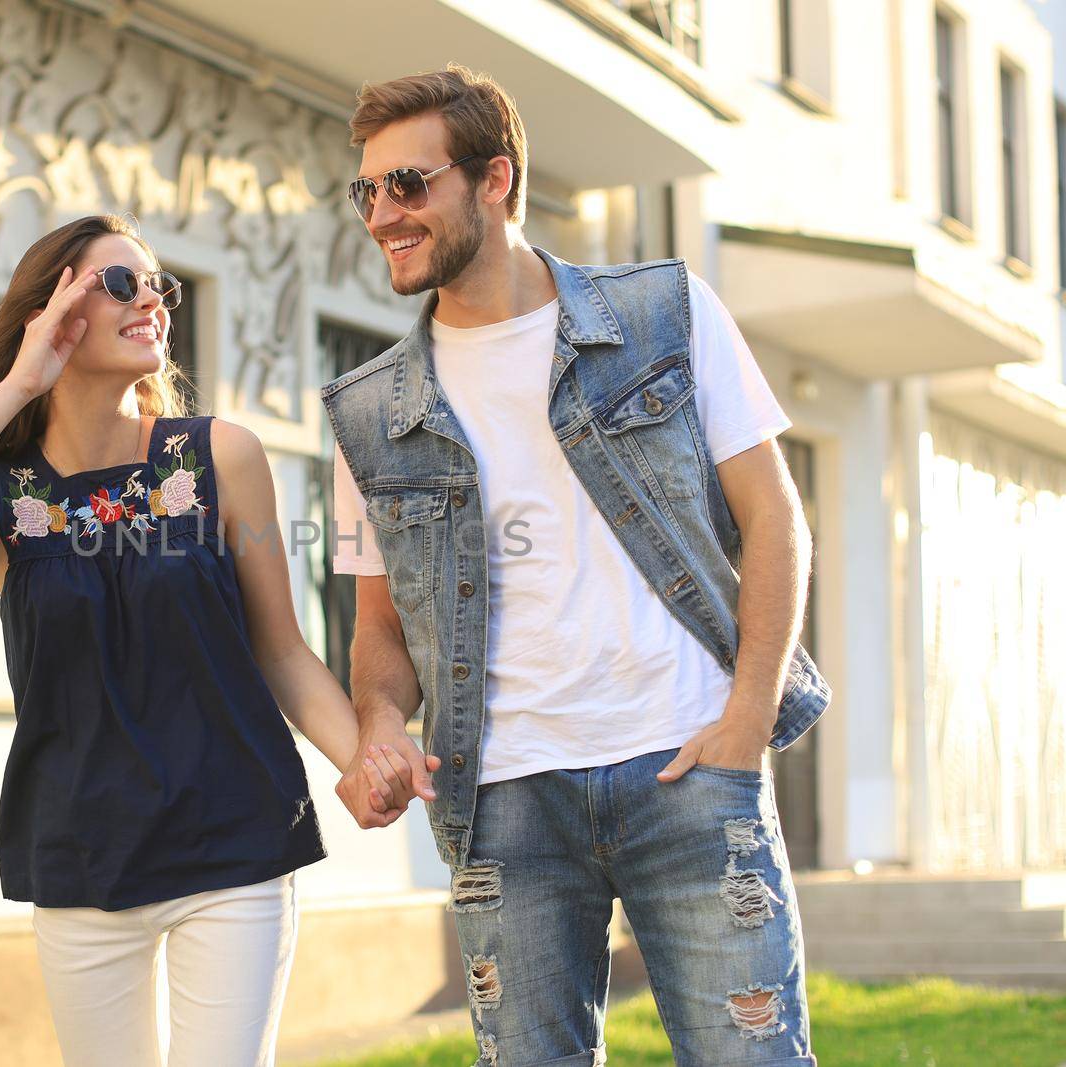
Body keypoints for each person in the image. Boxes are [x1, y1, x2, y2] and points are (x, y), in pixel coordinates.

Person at [323, 66, 830, 1066]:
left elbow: (774, 515)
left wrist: (744, 719)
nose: (383, 213)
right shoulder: (366, 412)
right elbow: (379, 624)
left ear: (494, 179)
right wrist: (378, 722)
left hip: (685, 760)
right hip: (504, 798)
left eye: (409, 185)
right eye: (368, 191)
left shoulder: (662, 314)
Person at [0, 214, 408, 1067]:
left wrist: (360, 760)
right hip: (82, 853)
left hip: (233, 838)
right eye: (120, 283)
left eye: (160, 285)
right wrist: (15, 383)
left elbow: (282, 652)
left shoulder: (218, 457)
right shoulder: (5, 498)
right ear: (53, 314)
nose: (151, 298)